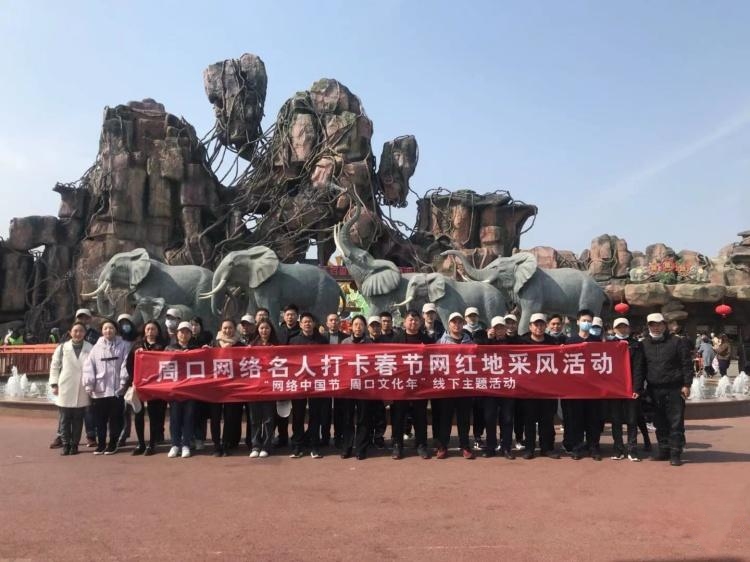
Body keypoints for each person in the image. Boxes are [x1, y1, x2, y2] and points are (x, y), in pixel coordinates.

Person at [640, 313, 693, 466]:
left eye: (659, 324)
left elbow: (686, 364)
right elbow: (641, 368)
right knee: (659, 422)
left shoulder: (677, 341)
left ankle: (675, 452)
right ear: (648, 326)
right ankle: (664, 450)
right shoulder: (644, 344)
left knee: (675, 422)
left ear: (665, 325)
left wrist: (687, 384)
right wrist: (640, 388)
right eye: (652, 325)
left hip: (674, 388)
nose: (656, 327)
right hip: (654, 389)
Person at [82, 319, 130, 455]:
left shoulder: (124, 346)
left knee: (115, 418)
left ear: (116, 330)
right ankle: (101, 444)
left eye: (111, 328)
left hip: (116, 389)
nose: (108, 331)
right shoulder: (96, 348)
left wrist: (123, 382)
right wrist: (89, 384)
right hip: (100, 389)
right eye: (105, 328)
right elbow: (89, 366)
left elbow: (125, 364)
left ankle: (113, 443)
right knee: (100, 419)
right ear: (102, 331)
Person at [390, 310, 433, 459]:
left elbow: (433, 361)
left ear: (420, 322)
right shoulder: (396, 339)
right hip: (401, 384)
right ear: (404, 322)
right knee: (399, 416)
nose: (413, 322)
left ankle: (421, 444)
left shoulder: (427, 340)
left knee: (420, 416)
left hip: (420, 385)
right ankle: (397, 444)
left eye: (416, 320)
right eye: (410, 320)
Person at [122, 321, 167, 456]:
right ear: (144, 331)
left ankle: (152, 443)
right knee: (138, 413)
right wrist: (134, 379)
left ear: (158, 331)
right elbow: (129, 364)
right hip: (139, 384)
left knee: (154, 415)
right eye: (148, 329)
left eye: (153, 329)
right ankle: (141, 443)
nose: (150, 332)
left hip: (155, 385)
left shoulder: (163, 346)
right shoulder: (137, 345)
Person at [519, 313, 561, 460]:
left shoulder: (553, 342)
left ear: (546, 326)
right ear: (530, 326)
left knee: (547, 420)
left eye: (542, 324)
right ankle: (529, 448)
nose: (539, 327)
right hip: (528, 389)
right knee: (529, 420)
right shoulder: (521, 342)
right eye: (536, 324)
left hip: (547, 389)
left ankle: (547, 448)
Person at [565, 309, 604, 461]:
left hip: (593, 387)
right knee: (576, 419)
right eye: (584, 320)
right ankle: (577, 447)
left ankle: (594, 447)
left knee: (593, 419)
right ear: (578, 322)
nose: (586, 323)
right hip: (575, 388)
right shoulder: (570, 341)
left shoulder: (597, 341)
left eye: (589, 321)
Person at [49, 322, 93, 456]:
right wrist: (54, 384)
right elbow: (54, 366)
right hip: (65, 385)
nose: (78, 334)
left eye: (81, 331)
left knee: (78, 419)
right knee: (64, 419)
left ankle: (74, 445)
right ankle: (65, 444)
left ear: (85, 333)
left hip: (82, 386)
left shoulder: (90, 348)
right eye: (75, 331)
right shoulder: (62, 348)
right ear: (70, 332)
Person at [288, 312, 328, 459]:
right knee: (298, 415)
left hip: (316, 384)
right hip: (299, 383)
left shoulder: (322, 340)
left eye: (310, 321)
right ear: (300, 324)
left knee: (315, 415)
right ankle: (297, 446)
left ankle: (314, 445)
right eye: (304, 322)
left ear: (314, 323)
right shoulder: (293, 341)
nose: (307, 324)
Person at [435, 312, 474, 460]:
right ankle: (442, 446)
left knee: (464, 419)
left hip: (464, 386)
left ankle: (465, 446)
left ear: (463, 324)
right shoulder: (440, 343)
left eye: (459, 322)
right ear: (448, 324)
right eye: (453, 322)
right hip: (447, 387)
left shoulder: (470, 343)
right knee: (445, 418)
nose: (456, 325)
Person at [607, 318, 646, 461]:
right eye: (619, 327)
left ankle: (632, 449)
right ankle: (618, 448)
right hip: (615, 388)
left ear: (629, 328)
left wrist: (637, 388)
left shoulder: (636, 345)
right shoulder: (608, 345)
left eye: (624, 327)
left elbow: (639, 368)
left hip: (630, 388)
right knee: (616, 420)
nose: (622, 329)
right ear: (614, 329)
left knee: (632, 419)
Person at [480, 316, 516, 459]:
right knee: (489, 417)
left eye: (501, 327)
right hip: (491, 386)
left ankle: (506, 447)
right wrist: (489, 339)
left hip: (507, 385)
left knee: (507, 418)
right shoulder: (486, 341)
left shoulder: (514, 341)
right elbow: (477, 351)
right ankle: (491, 447)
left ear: (505, 328)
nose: (499, 330)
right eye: (496, 327)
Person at [206, 319, 244, 456]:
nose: (228, 330)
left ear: (235, 329)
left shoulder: (240, 345)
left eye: (230, 328)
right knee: (215, 417)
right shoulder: (214, 344)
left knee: (230, 417)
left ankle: (226, 444)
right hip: (216, 387)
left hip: (232, 387)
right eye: (225, 328)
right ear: (221, 329)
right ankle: (217, 445)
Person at [340, 315, 374, 460]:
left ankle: (361, 448)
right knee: (347, 418)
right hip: (348, 385)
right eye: (355, 324)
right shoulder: (345, 343)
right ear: (351, 327)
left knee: (363, 418)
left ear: (365, 327)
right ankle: (347, 447)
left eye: (361, 324)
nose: (358, 327)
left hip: (364, 386)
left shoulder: (370, 343)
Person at [166, 321, 198, 458]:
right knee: (174, 417)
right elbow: (162, 361)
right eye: (181, 332)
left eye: (187, 332)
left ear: (191, 334)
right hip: (175, 389)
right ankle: (175, 444)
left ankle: (186, 444)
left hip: (191, 390)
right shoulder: (169, 348)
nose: (184, 334)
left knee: (188, 417)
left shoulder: (196, 348)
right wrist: (175, 354)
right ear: (177, 333)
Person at [248, 319, 278, 458]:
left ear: (271, 330)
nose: (264, 331)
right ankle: (255, 445)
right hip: (254, 387)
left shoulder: (277, 346)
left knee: (268, 418)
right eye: (261, 328)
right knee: (255, 419)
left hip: (269, 387)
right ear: (257, 330)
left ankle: (266, 445)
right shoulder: (251, 346)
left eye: (267, 328)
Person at [321, 313, 346, 447]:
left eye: (336, 320)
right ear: (327, 323)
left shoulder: (346, 338)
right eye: (331, 320)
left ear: (340, 322)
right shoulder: (321, 338)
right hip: (324, 377)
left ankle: (338, 436)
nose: (334, 322)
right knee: (324, 409)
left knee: (339, 409)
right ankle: (325, 437)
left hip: (340, 377)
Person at [117, 313, 138, 446]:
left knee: (128, 407)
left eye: (127, 323)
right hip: (116, 378)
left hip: (132, 378)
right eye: (122, 323)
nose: (125, 326)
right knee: (119, 409)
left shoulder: (137, 340)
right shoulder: (116, 340)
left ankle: (124, 434)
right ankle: (119, 434)